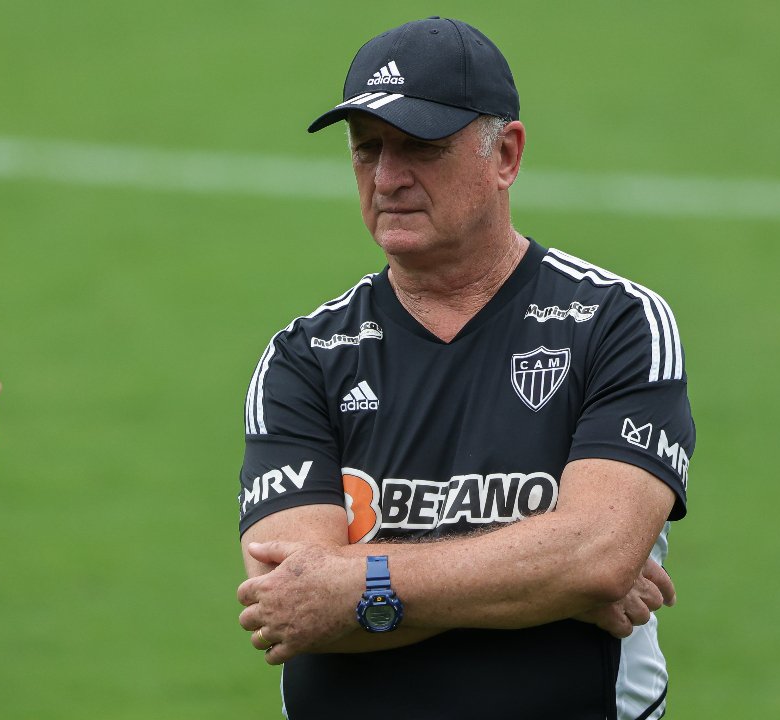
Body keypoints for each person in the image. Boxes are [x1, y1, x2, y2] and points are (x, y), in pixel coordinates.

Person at [235, 17, 694, 720]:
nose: (388, 178)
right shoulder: (304, 356)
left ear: (505, 154)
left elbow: (597, 555)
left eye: (420, 147)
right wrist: (548, 575)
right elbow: (292, 605)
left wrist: (357, 583)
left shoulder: (616, 323)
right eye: (367, 151)